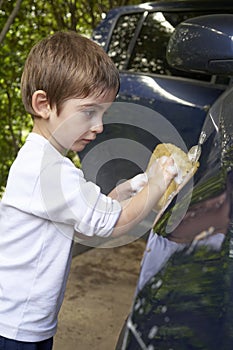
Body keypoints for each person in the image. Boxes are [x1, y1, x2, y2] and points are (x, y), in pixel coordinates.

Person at [0, 31, 176, 350]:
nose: (99, 126)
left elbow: (92, 217)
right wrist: (157, 185)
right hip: (15, 326)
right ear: (44, 104)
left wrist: (132, 187)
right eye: (88, 112)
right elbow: (111, 223)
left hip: (25, 320)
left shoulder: (46, 161)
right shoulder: (48, 169)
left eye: (103, 114)